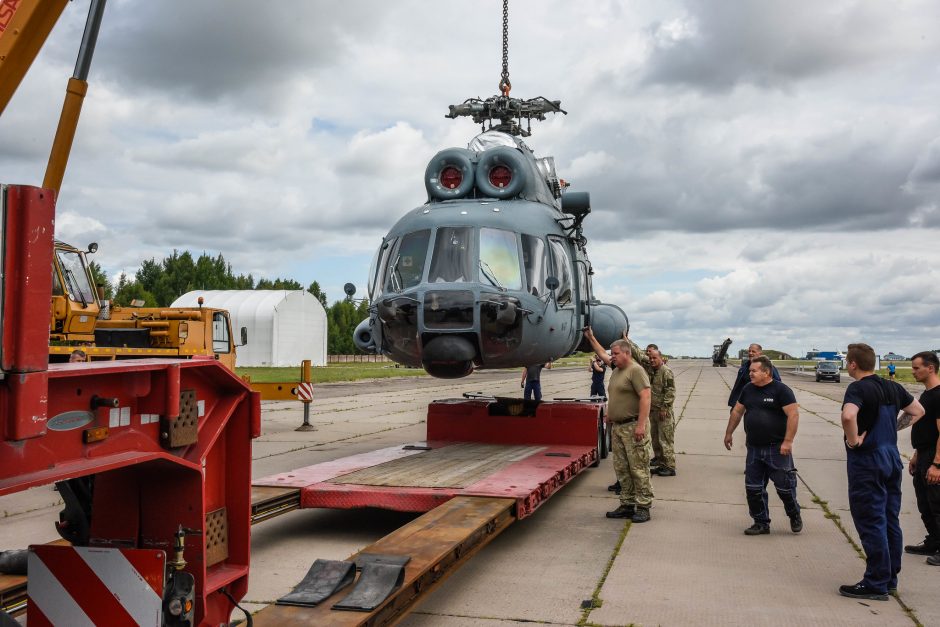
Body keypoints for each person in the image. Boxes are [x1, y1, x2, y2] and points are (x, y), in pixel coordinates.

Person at [839, 343, 924, 601]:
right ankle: (889, 579)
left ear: (853, 364)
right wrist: (893, 428)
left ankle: (876, 581)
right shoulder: (892, 386)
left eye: (847, 361)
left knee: (870, 519)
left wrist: (853, 440)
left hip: (868, 460)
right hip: (890, 457)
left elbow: (848, 416)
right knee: (890, 519)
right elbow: (918, 411)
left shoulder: (857, 388)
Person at [724, 356, 802, 536]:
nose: (750, 373)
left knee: (785, 487)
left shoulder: (782, 391)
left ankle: (794, 514)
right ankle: (761, 522)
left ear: (766, 372)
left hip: (777, 449)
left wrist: (788, 441)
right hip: (754, 448)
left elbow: (793, 415)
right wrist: (729, 433)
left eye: (754, 371)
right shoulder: (748, 389)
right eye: (750, 370)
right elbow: (737, 411)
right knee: (754, 489)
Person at [584, 327, 654, 523]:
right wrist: (590, 337)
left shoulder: (636, 371)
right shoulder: (617, 369)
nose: (611, 357)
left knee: (638, 468)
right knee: (622, 468)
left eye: (615, 354)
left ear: (627, 353)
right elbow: (600, 353)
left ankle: (643, 506)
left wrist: (641, 425)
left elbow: (646, 397)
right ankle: (627, 503)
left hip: (633, 427)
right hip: (618, 428)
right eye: (611, 354)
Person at [905, 351, 940, 565]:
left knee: (937, 504)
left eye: (917, 368)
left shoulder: (939, 395)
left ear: (931, 368)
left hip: (934, 458)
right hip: (924, 454)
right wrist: (917, 455)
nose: (913, 371)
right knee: (924, 503)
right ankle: (933, 541)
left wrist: (937, 464)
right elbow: (926, 430)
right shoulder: (927, 395)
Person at [647, 349, 677, 476]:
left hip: (663, 412)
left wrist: (665, 408)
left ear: (660, 358)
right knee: (655, 439)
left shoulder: (666, 372)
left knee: (665, 439)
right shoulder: (652, 371)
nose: (652, 360)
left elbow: (670, 391)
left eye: (654, 358)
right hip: (653, 411)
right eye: (650, 358)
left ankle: (670, 466)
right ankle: (660, 462)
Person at [727, 343, 780, 411]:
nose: (750, 353)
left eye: (753, 351)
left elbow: (778, 383)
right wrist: (734, 403)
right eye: (749, 351)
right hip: (745, 399)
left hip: (761, 401)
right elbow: (738, 386)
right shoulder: (744, 367)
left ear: (760, 353)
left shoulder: (769, 368)